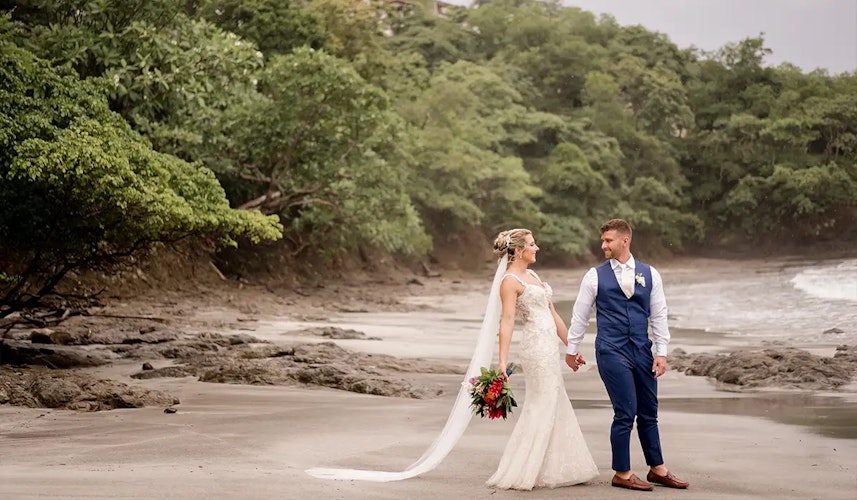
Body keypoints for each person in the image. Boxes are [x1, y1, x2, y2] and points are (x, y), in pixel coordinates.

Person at [565, 219, 689, 491]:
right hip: (611, 350)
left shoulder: (650, 274)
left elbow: (659, 314)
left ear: (625, 240)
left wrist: (662, 352)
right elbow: (580, 315)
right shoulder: (594, 276)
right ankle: (622, 472)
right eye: (603, 240)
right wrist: (572, 350)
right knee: (625, 412)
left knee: (649, 412)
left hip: (642, 350)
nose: (603, 245)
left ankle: (657, 469)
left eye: (608, 240)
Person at [486, 228, 598, 490]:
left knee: (554, 399)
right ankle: (525, 469)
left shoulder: (534, 276)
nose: (537, 248)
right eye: (532, 244)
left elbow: (554, 314)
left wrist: (571, 346)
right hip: (535, 348)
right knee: (542, 401)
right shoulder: (510, 281)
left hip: (549, 346)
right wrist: (502, 362)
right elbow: (508, 321)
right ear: (517, 250)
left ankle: (554, 467)